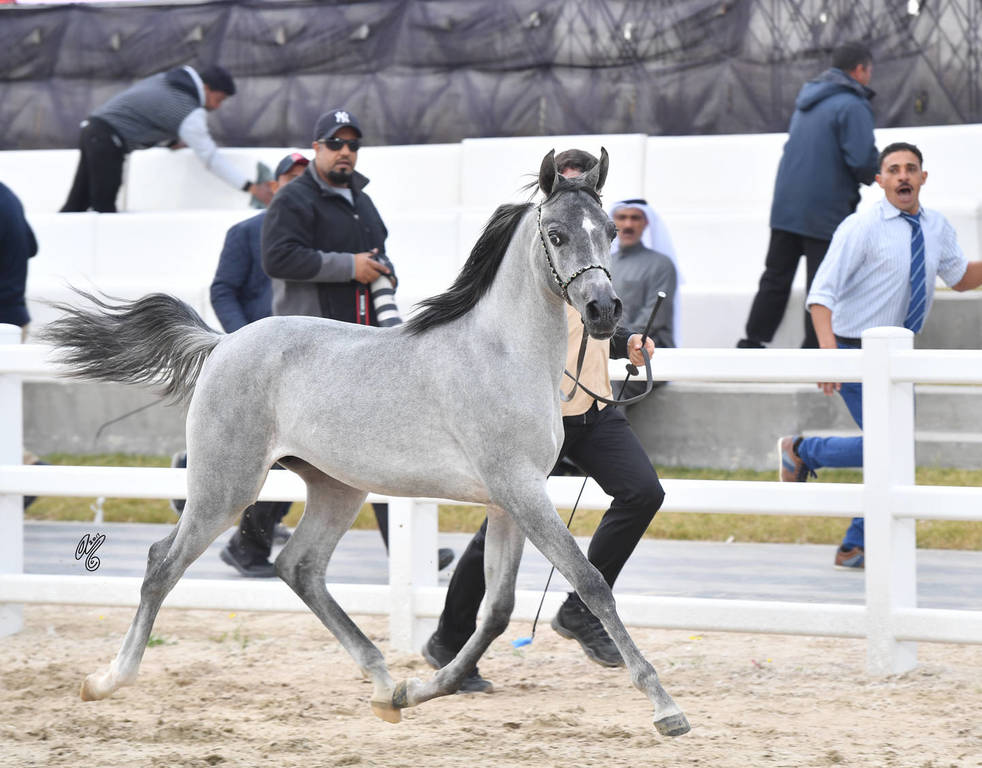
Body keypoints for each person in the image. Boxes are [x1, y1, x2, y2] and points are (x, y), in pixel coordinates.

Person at [420, 149, 661, 693]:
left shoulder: (591, 245)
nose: (575, 192)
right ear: (551, 187)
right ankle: (447, 640)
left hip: (594, 408)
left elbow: (596, 325)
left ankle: (579, 609)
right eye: (566, 183)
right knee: (499, 532)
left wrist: (629, 344)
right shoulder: (535, 247)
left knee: (643, 492)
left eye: (585, 185)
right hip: (536, 412)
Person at [261, 107, 452, 572]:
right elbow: (279, 258)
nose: (346, 152)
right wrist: (351, 266)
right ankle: (248, 540)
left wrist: (382, 272)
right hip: (311, 350)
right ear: (317, 148)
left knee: (369, 447)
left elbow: (377, 254)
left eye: (353, 145)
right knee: (310, 450)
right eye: (336, 144)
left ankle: (408, 553)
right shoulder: (293, 200)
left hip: (361, 347)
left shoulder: (362, 201)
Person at [778, 142, 982, 570]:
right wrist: (832, 357)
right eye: (894, 169)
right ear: (880, 180)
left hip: (899, 355)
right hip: (855, 348)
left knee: (893, 448)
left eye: (911, 169)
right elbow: (821, 295)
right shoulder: (861, 226)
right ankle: (808, 458)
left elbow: (960, 278)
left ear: (923, 178)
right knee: (892, 445)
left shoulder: (936, 226)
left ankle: (849, 532)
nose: (903, 176)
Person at [201, 151, 309, 576]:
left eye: (306, 179)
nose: (298, 186)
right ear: (274, 186)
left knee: (295, 454)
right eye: (291, 178)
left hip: (304, 364)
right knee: (283, 454)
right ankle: (248, 545)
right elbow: (223, 291)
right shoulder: (245, 233)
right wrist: (242, 344)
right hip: (253, 364)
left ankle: (250, 543)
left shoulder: (314, 237)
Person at [738, 41, 879, 350]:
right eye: (869, 70)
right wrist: (879, 172)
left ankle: (752, 344)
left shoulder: (809, 100)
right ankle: (813, 351)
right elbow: (862, 161)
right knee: (822, 283)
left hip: (787, 208)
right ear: (859, 69)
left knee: (775, 278)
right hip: (825, 212)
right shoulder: (853, 104)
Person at [60, 64, 274, 213]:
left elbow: (148, 113)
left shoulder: (169, 81)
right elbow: (210, 158)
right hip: (108, 140)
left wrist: (170, 141)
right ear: (206, 88)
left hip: (94, 130)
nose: (217, 107)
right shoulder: (189, 110)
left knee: (78, 201)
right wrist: (251, 188)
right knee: (104, 207)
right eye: (218, 99)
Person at [0, 181, 47, 509]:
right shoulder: (9, 197)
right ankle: (25, 469)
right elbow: (31, 246)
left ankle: (27, 469)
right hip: (15, 316)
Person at [609, 198, 679, 351]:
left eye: (635, 218)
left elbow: (654, 316)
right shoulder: (605, 263)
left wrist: (622, 341)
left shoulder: (661, 264)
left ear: (646, 222)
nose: (628, 225)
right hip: (612, 350)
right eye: (622, 218)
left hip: (649, 352)